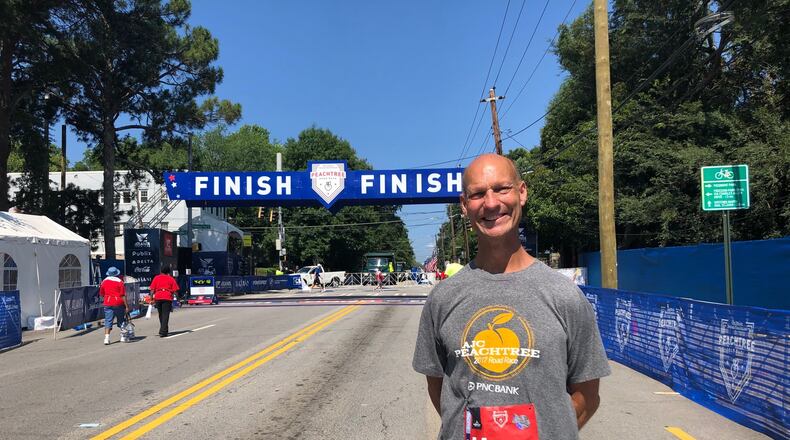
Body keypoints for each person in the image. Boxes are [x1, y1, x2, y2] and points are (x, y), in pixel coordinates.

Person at [413, 154, 610, 439]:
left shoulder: (565, 295)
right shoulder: (442, 298)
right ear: (464, 205)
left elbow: (587, 396)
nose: (491, 203)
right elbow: (439, 389)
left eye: (502, 189)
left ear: (522, 192)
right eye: (478, 194)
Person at [99, 266, 130, 345]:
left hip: (108, 302)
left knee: (108, 320)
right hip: (118, 302)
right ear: (116, 273)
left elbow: (102, 293)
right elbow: (123, 295)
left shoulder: (104, 281)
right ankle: (123, 337)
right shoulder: (120, 282)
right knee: (121, 320)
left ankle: (106, 338)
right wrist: (126, 306)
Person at [149, 264, 179, 337]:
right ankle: (163, 331)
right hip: (167, 297)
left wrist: (151, 299)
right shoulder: (170, 278)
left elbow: (152, 290)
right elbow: (175, 290)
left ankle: (164, 329)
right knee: (165, 314)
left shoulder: (156, 278)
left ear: (161, 271)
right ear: (168, 271)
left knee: (161, 314)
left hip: (158, 297)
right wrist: (178, 299)